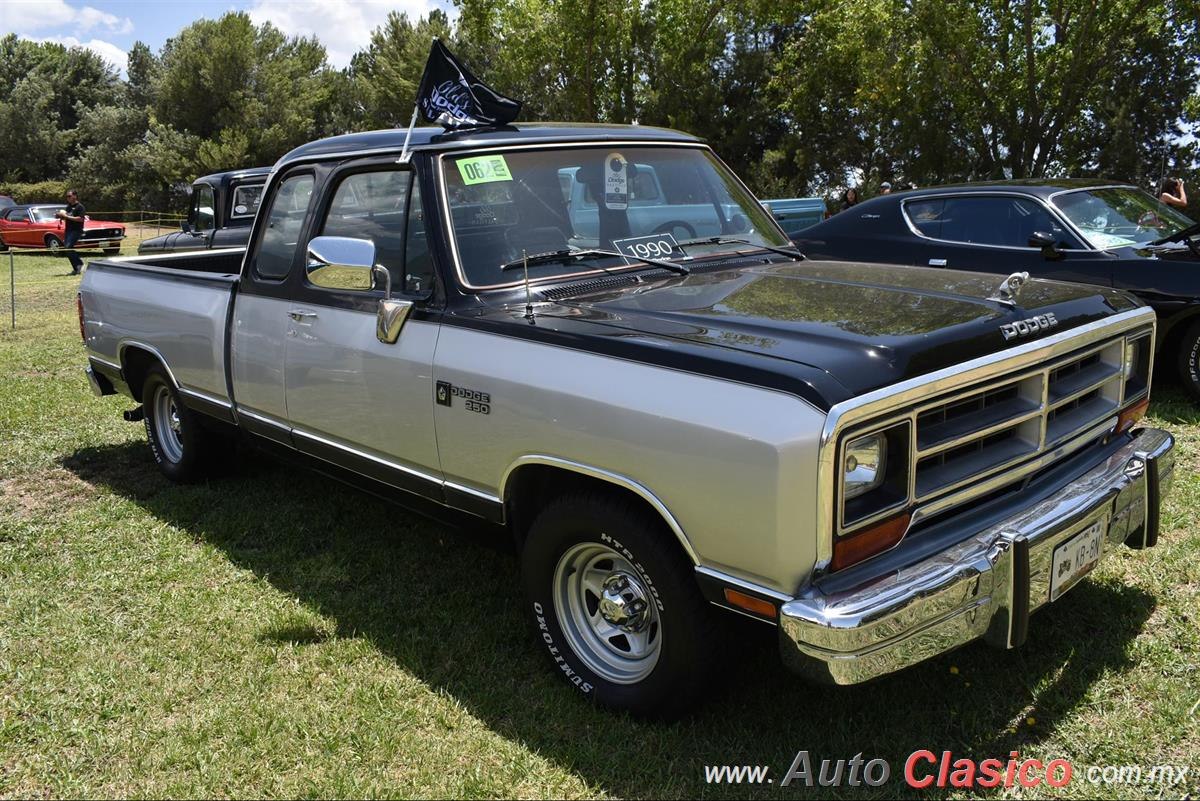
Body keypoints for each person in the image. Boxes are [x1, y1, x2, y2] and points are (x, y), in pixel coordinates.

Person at [55, 189, 86, 275]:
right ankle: (76, 268)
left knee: (68, 247)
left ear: (75, 196)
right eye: (67, 196)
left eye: (69, 196)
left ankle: (79, 264)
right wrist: (60, 216)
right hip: (68, 230)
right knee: (67, 248)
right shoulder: (68, 207)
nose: (68, 198)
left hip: (76, 231)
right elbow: (67, 217)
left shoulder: (80, 207)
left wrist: (66, 217)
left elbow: (81, 219)